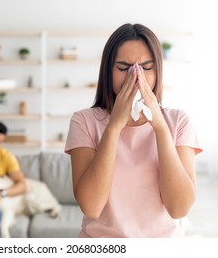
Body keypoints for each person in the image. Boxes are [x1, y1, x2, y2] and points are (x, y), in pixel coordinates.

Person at [64, 23, 202, 238]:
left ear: (158, 71)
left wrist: (160, 128)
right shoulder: (84, 121)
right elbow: (91, 207)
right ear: (107, 72)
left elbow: (179, 209)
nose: (136, 77)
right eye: (123, 68)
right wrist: (114, 126)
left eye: (146, 67)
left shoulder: (179, 121)